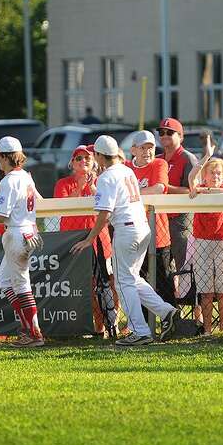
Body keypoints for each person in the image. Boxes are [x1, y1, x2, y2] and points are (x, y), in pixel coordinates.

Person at [70, 135, 178, 346]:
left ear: (100, 156)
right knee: (132, 279)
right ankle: (167, 312)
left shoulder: (107, 177)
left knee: (122, 283)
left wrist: (89, 238)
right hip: (142, 228)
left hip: (127, 230)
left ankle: (140, 331)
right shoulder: (127, 170)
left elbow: (104, 214)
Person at [0, 137, 45, 347]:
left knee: (22, 285)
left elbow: (2, 215)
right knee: (4, 281)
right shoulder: (25, 176)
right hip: (28, 231)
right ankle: (28, 329)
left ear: (4, 157)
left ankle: (33, 334)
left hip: (16, 233)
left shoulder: (9, 180)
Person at [55, 145, 117, 337]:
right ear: (72, 163)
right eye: (79, 158)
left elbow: (107, 207)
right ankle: (80, 326)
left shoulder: (101, 181)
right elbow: (62, 208)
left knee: (106, 283)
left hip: (99, 238)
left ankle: (104, 326)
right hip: (73, 239)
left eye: (87, 158)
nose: (83, 162)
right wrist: (80, 188)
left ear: (94, 162)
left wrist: (92, 188)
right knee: (81, 285)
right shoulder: (63, 183)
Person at [187, 153, 223, 335]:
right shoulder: (197, 187)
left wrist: (206, 191)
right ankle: (207, 330)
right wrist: (206, 156)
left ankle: (222, 329)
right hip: (202, 241)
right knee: (205, 290)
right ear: (204, 175)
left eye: (219, 173)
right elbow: (191, 177)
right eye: (212, 173)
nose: (215, 176)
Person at [126, 130, 174, 305]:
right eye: (143, 148)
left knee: (164, 280)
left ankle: (171, 323)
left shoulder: (159, 164)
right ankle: (145, 323)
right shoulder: (126, 167)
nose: (147, 152)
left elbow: (159, 188)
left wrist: (129, 194)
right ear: (133, 150)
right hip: (134, 233)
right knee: (140, 280)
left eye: (151, 147)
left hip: (158, 233)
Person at [157, 118, 200, 293]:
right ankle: (173, 311)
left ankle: (195, 315)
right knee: (163, 269)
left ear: (180, 136)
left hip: (180, 221)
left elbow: (192, 191)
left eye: (169, 132)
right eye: (161, 132)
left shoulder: (187, 158)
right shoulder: (158, 159)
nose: (164, 135)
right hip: (160, 221)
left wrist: (164, 188)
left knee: (186, 267)